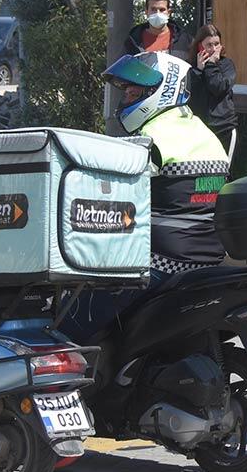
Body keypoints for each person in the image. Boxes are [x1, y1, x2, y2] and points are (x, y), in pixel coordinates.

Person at [60, 51, 229, 342]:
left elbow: (107, 197)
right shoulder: (205, 133)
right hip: (209, 257)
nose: (126, 98)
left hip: (160, 261)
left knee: (68, 324)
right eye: (126, 91)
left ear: (161, 90)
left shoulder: (150, 139)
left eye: (134, 91)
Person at [186, 23, 238, 157]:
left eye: (217, 44)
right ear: (199, 46)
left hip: (223, 127)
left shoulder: (227, 65)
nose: (214, 49)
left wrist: (210, 65)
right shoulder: (190, 67)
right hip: (199, 128)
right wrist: (198, 71)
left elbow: (218, 87)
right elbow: (189, 93)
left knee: (223, 166)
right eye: (209, 45)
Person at [123, 0, 193, 60]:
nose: (157, 13)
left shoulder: (185, 41)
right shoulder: (133, 42)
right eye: (153, 9)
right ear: (146, 12)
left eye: (162, 10)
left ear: (168, 12)